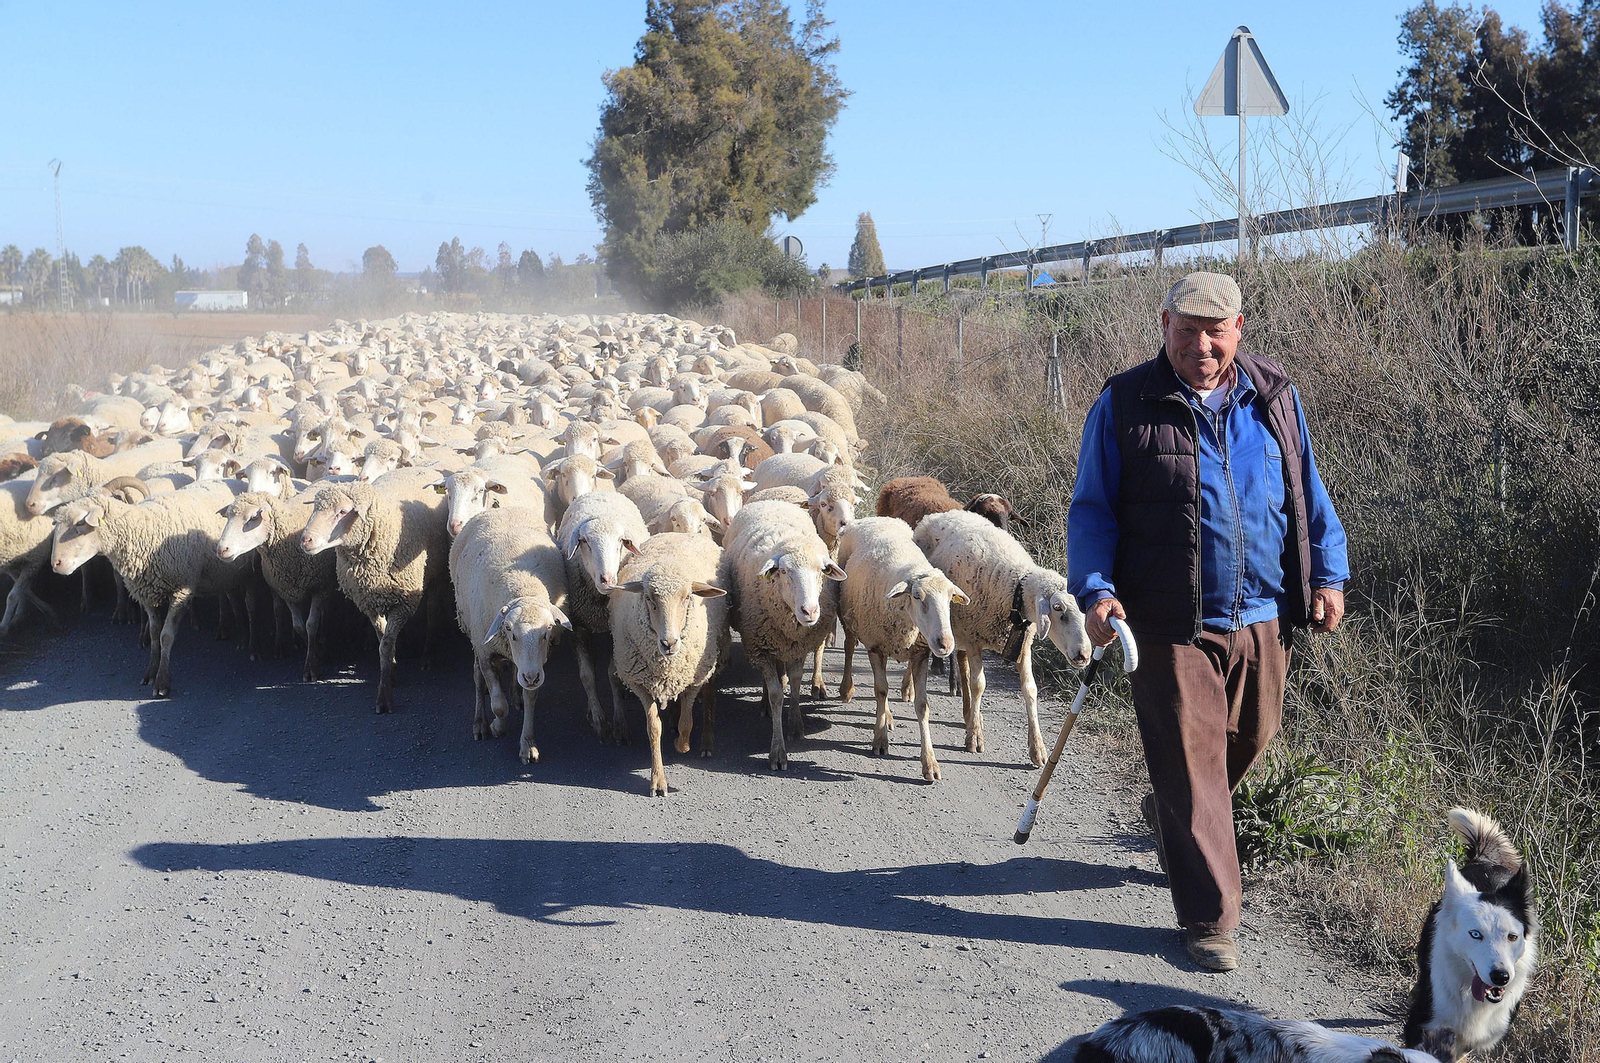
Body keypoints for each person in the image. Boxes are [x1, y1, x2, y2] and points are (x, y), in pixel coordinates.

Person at [1066, 271, 1349, 972]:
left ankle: (1176, 819)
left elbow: (1306, 483)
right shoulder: (1126, 401)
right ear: (1163, 324)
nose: (1201, 344)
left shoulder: (1273, 395)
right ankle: (1209, 918)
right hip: (1167, 620)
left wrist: (1328, 572)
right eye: (1186, 329)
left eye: (1214, 330)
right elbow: (1092, 508)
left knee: (1251, 735)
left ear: (1238, 329)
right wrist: (1096, 591)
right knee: (1195, 773)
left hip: (1263, 609)